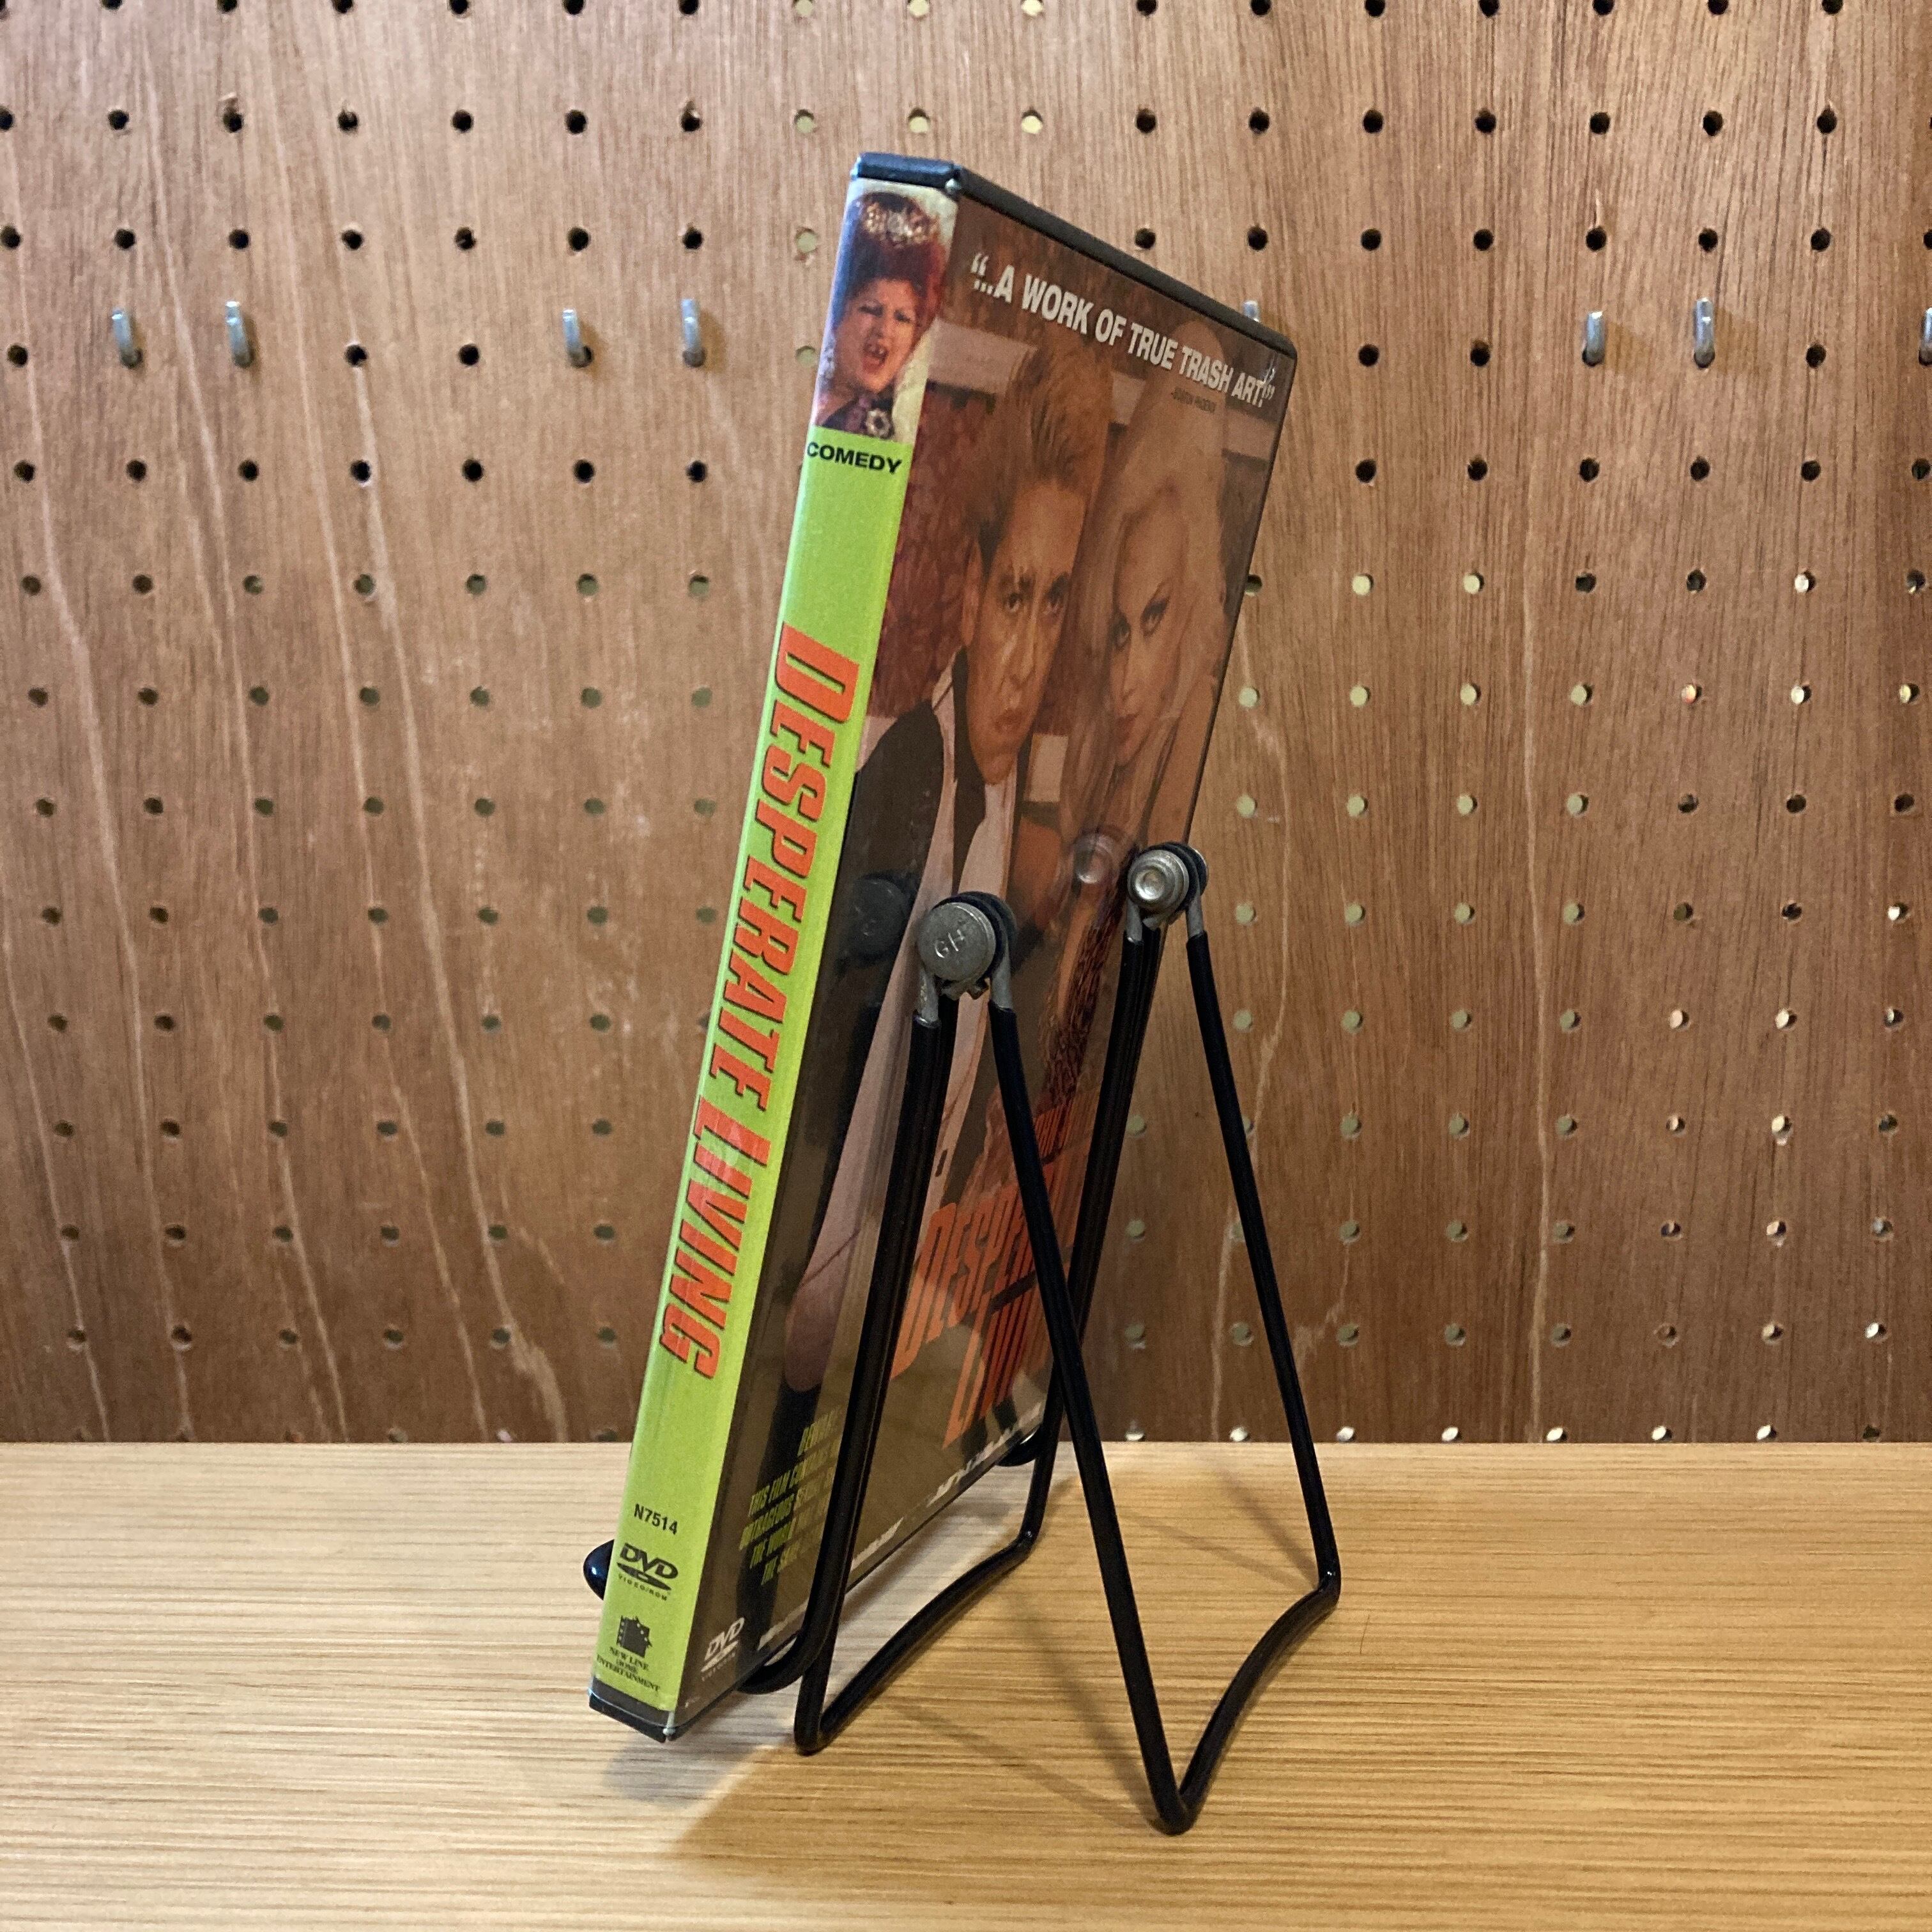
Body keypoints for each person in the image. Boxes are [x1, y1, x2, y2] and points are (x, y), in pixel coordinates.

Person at [778, 330, 1115, 1394]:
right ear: (969, 591)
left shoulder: (1004, 803)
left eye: (1054, 602)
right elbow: (827, 1112)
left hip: (897, 1306)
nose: (1025, 660)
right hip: (821, 1310)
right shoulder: (908, 782)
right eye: (1014, 595)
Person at [811, 192, 947, 442]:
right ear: (838, 314)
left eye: (903, 319)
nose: (884, 330)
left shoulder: (879, 433)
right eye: (872, 310)